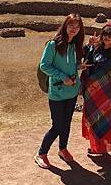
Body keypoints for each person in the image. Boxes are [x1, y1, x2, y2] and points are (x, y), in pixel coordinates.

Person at [35, 13, 85, 169]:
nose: (74, 29)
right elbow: (44, 65)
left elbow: (71, 64)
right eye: (71, 25)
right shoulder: (53, 45)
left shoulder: (75, 45)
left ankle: (63, 149)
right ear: (65, 26)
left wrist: (78, 67)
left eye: (77, 27)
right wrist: (63, 77)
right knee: (57, 125)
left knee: (67, 123)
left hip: (71, 91)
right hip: (57, 92)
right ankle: (41, 153)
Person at [81, 22, 111, 172]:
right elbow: (86, 64)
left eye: (110, 35)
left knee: (110, 123)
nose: (106, 37)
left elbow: (104, 73)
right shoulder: (95, 49)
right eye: (105, 34)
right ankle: (97, 147)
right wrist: (89, 46)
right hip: (92, 94)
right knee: (93, 119)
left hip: (106, 96)